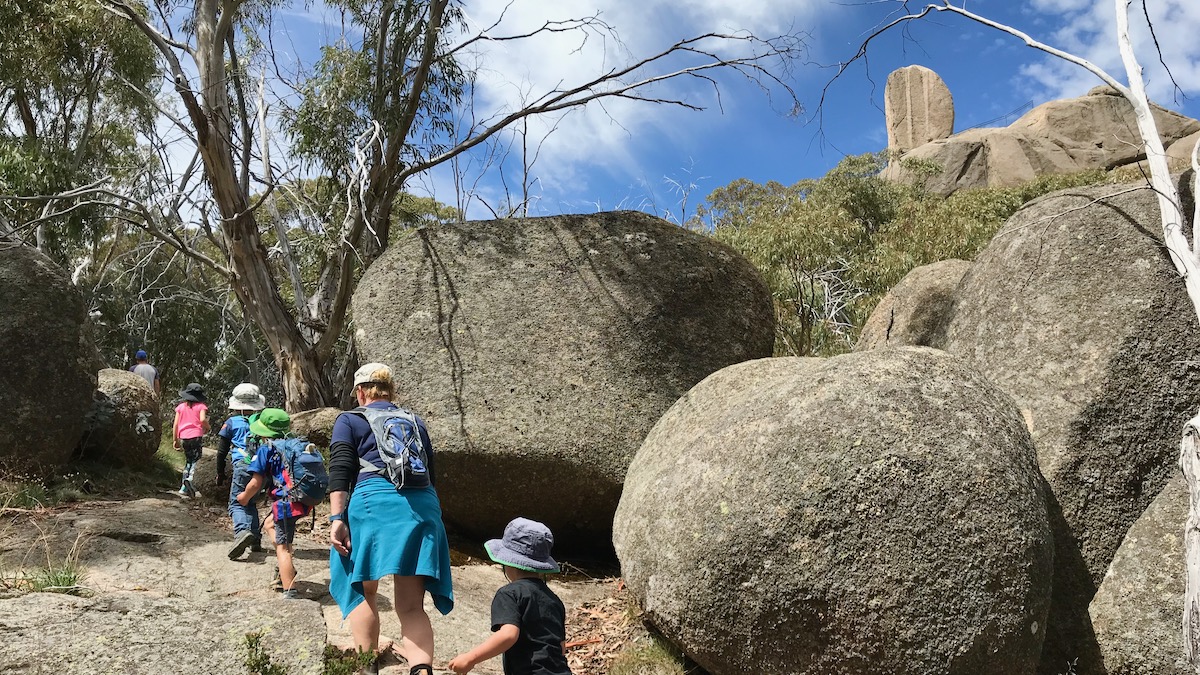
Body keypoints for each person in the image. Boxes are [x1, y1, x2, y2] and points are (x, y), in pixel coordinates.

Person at [328, 362, 454, 675]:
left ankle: (367, 666)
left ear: (360, 392)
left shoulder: (349, 420)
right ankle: (421, 670)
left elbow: (341, 471)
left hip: (374, 506)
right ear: (390, 391)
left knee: (363, 589)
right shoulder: (415, 421)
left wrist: (337, 518)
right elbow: (431, 475)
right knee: (412, 605)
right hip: (422, 508)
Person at [448, 518, 572, 675]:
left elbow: (508, 634)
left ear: (507, 562)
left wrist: (469, 658)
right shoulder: (554, 600)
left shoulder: (509, 594)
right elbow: (560, 648)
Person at [236, 408, 310, 599]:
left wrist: (244, 497)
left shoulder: (266, 449)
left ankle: (289, 590)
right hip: (302, 499)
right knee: (269, 524)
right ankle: (288, 571)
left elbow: (255, 483)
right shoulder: (296, 444)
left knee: (283, 548)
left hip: (286, 503)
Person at [218, 382, 267, 559]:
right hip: (262, 467)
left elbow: (222, 451)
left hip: (242, 466)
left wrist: (220, 472)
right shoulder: (262, 422)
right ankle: (255, 540)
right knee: (250, 501)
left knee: (238, 503)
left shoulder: (231, 422)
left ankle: (241, 532)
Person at [173, 383, 209, 498]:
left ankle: (183, 487)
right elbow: (203, 419)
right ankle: (190, 481)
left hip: (184, 436)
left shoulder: (181, 407)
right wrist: (208, 427)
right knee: (196, 460)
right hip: (196, 435)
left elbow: (176, 424)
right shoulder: (201, 406)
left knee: (188, 461)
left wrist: (175, 439)